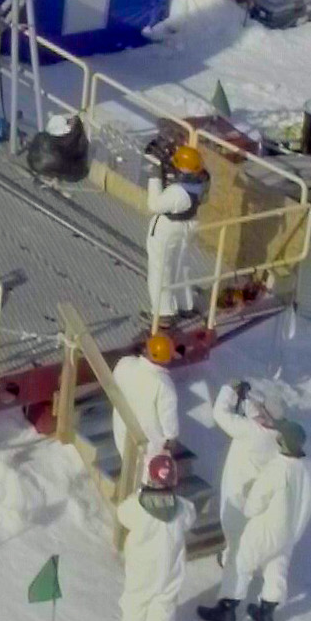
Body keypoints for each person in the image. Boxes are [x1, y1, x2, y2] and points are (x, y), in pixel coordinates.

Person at [201, 418, 311, 621]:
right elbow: (310, 502)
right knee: (277, 567)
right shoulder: (309, 468)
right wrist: (296, 530)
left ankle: (227, 607)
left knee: (240, 562)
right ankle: (267, 611)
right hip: (290, 530)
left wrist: (245, 504)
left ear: (284, 442)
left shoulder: (278, 469)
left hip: (266, 528)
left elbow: (255, 503)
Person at [118, 449, 193, 621]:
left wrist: (139, 494)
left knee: (137, 598)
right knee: (164, 605)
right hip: (170, 567)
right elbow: (190, 518)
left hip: (142, 566)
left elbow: (122, 515)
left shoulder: (137, 505)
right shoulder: (181, 508)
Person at [210, 379, 282, 570]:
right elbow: (256, 416)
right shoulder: (279, 436)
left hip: (238, 486)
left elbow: (220, 414)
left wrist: (228, 391)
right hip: (258, 490)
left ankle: (231, 561)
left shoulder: (250, 431)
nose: (258, 411)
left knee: (233, 527)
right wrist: (245, 398)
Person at [109, 328, 185, 482]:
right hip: (149, 446)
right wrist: (171, 439)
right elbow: (168, 419)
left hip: (122, 432)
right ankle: (146, 493)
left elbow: (116, 378)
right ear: (166, 359)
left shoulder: (125, 365)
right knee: (150, 475)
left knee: (134, 462)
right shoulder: (164, 385)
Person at [145, 141, 206, 321]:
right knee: (181, 264)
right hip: (188, 225)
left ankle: (163, 312)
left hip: (169, 228)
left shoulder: (177, 193)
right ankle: (185, 304)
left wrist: (155, 177)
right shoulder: (201, 182)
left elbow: (154, 204)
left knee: (161, 269)